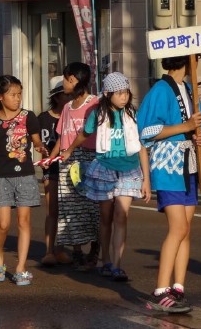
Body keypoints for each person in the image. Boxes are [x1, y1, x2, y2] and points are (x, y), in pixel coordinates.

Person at [137, 55, 201, 313]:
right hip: (168, 164)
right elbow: (147, 130)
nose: (198, 64)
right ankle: (160, 290)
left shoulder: (189, 89)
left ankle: (178, 287)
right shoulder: (160, 89)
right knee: (178, 228)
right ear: (186, 62)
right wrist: (186, 125)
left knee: (186, 229)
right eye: (196, 60)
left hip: (190, 164)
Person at [61, 72, 151, 282]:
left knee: (121, 216)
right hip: (104, 168)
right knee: (106, 217)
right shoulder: (98, 114)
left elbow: (142, 147)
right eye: (119, 93)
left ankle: (117, 265)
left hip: (129, 169)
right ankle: (106, 260)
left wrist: (146, 179)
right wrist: (69, 150)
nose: (124, 97)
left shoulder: (132, 115)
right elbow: (84, 133)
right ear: (108, 93)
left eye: (126, 93)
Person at [0, 75, 47, 286]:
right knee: (3, 224)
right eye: (13, 94)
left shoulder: (28, 116)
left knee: (24, 221)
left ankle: (21, 267)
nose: (18, 98)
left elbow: (36, 140)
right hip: (1, 176)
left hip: (25, 175)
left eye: (20, 94)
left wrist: (40, 149)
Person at [47, 62, 100, 271]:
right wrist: (51, 159)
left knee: (92, 208)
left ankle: (95, 253)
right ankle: (77, 251)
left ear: (74, 80)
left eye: (66, 78)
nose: (64, 83)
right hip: (66, 161)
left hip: (90, 160)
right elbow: (61, 137)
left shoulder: (94, 104)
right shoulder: (67, 108)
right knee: (70, 209)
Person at [38, 83, 73, 266]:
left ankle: (62, 249)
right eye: (66, 95)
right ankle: (49, 250)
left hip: (69, 168)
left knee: (68, 210)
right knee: (52, 210)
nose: (69, 99)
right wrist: (40, 151)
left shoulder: (71, 116)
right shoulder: (43, 118)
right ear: (57, 97)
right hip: (50, 169)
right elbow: (35, 140)